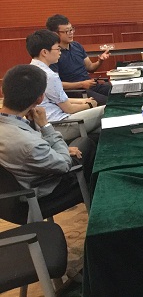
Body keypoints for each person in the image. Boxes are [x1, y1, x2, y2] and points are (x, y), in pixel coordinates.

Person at [0, 64, 96, 197]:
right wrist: (45, 126)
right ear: (40, 98)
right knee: (88, 142)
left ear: (2, 91)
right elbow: (65, 164)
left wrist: (53, 151)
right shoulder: (30, 144)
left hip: (12, 194)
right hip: (43, 191)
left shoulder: (17, 132)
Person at [26, 29, 104, 141]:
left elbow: (56, 100)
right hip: (61, 125)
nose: (60, 52)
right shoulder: (49, 75)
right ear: (44, 52)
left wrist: (82, 101)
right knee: (108, 109)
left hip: (47, 124)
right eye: (58, 49)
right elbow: (69, 109)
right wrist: (90, 105)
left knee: (102, 128)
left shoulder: (30, 70)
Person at [46, 14, 111, 105]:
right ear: (55, 34)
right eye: (67, 31)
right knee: (109, 102)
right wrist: (81, 84)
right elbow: (55, 84)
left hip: (90, 84)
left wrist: (100, 61)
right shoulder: (53, 54)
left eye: (71, 29)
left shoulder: (76, 46)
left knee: (118, 91)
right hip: (76, 91)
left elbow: (90, 68)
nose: (71, 33)